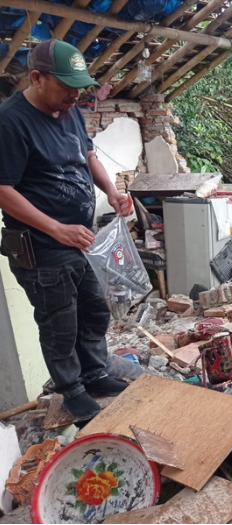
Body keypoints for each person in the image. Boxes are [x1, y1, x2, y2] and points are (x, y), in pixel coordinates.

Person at [0, 39, 133, 421]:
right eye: (66, 86)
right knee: (59, 322)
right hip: (42, 245)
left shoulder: (69, 110)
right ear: (37, 78)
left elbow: (88, 155)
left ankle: (94, 374)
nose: (75, 95)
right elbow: (3, 189)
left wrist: (111, 191)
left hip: (78, 240)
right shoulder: (11, 122)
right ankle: (72, 390)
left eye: (79, 87)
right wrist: (56, 229)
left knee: (95, 309)